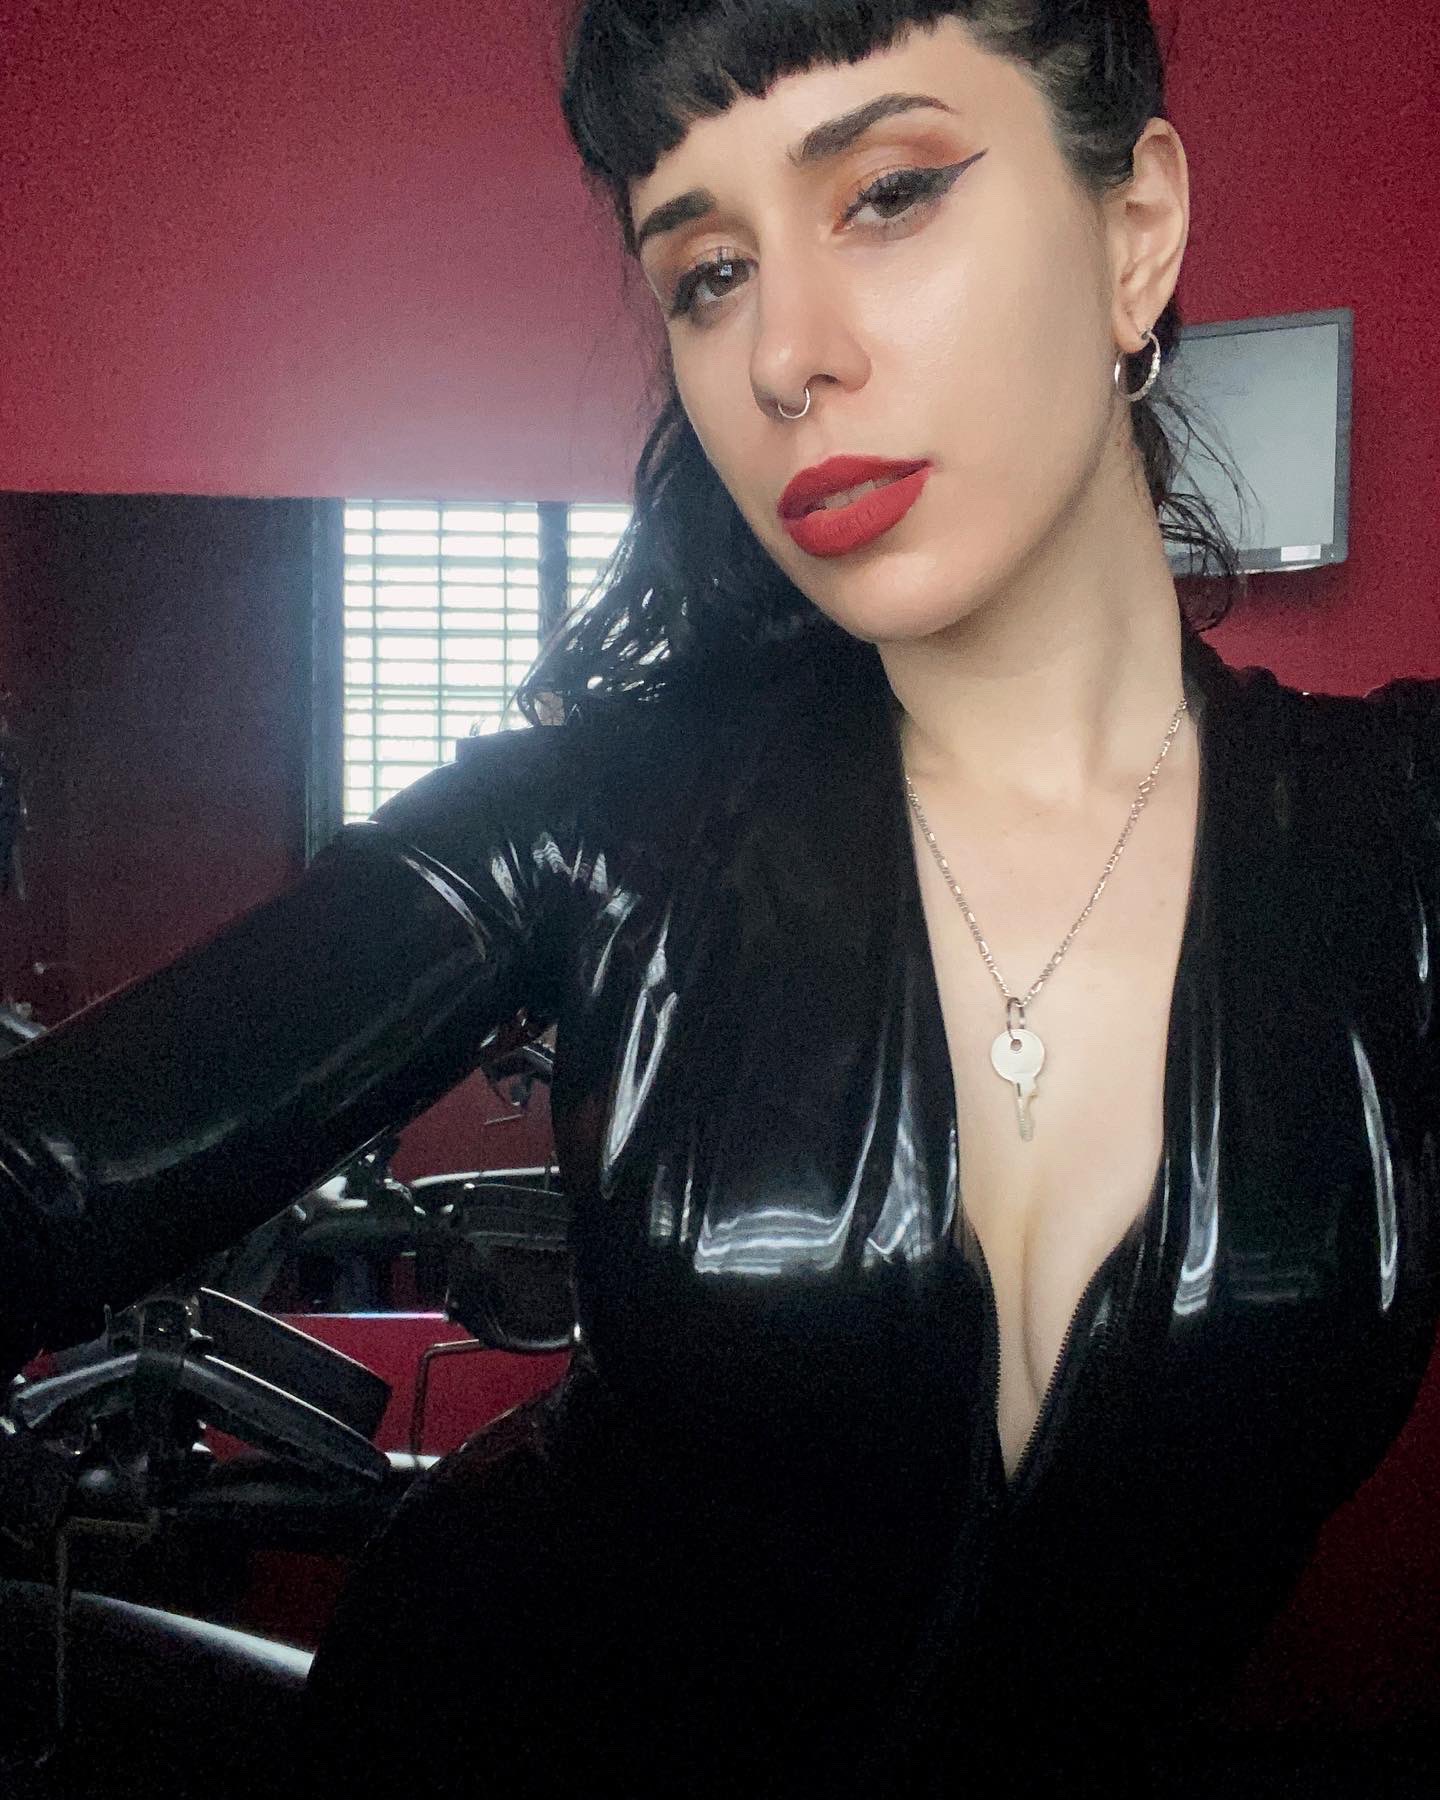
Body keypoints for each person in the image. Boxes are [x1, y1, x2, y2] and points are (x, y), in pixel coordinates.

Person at [0, 3, 1436, 1793]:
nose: (783, 357)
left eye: (890, 193)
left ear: (1134, 230)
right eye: (708, 275)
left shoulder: (1395, 835)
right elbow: (42, 1179)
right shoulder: (598, 816)